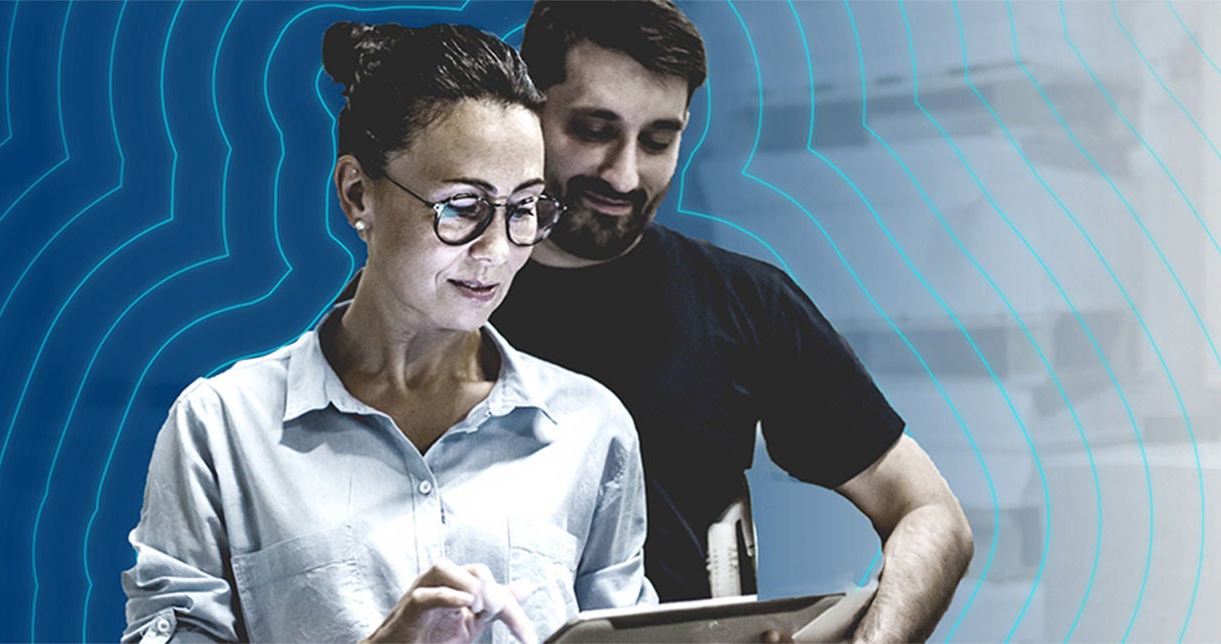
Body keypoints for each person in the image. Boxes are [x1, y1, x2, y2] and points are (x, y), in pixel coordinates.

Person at [122, 21, 657, 644]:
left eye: (523, 209)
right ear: (357, 195)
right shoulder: (223, 429)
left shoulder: (590, 427)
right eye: (462, 206)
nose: (497, 251)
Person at [491, 1, 975, 641]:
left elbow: (930, 513)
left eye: (659, 140)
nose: (625, 172)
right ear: (530, 111)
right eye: (593, 129)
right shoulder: (433, 297)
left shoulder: (747, 303)